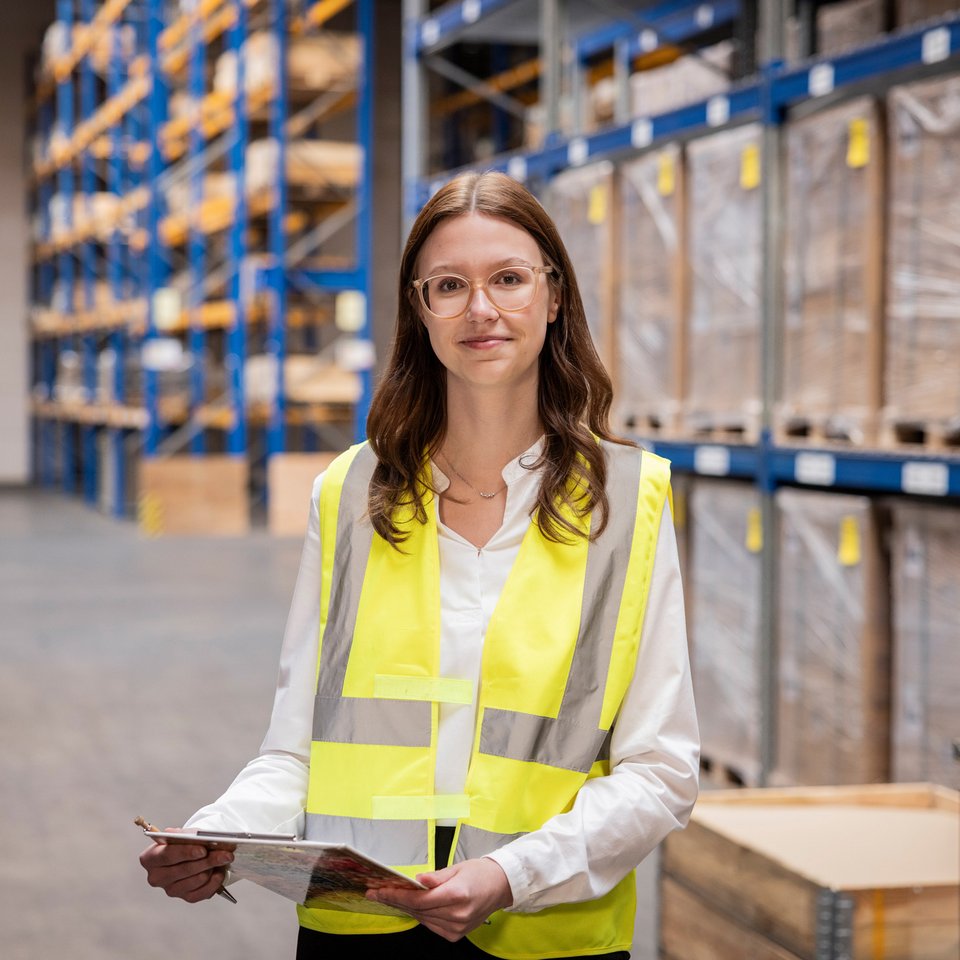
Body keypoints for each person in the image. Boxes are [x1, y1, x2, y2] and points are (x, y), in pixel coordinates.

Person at [140, 171, 699, 959]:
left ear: (555, 295)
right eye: (449, 285)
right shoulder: (349, 493)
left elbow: (661, 770)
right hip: (358, 931)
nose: (481, 308)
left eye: (508, 278)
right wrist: (219, 833)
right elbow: (297, 749)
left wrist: (511, 873)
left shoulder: (628, 500)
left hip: (545, 934)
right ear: (419, 307)